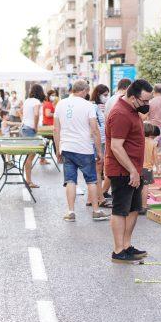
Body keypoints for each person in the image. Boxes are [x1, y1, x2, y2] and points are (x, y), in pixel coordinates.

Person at [105, 79, 154, 263]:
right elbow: (116, 146)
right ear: (133, 97)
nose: (147, 105)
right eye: (145, 101)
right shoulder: (120, 113)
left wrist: (136, 170)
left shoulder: (132, 110)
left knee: (134, 209)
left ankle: (126, 246)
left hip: (134, 169)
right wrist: (132, 171)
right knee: (120, 210)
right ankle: (118, 251)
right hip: (122, 171)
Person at [54, 80, 108, 222]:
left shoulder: (60, 104)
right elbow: (95, 130)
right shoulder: (88, 106)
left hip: (66, 147)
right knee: (91, 180)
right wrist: (99, 152)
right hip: (84, 148)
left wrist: (57, 149)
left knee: (70, 180)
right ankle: (96, 211)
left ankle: (71, 211)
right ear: (84, 91)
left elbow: (56, 130)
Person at [87, 84, 110, 205]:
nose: (107, 97)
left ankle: (90, 198)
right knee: (97, 171)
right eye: (105, 95)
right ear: (99, 94)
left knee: (95, 170)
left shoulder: (97, 106)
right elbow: (94, 127)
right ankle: (100, 198)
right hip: (96, 142)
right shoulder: (93, 107)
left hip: (99, 141)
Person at [21, 84, 45, 187]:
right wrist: (35, 126)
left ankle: (28, 179)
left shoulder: (27, 100)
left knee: (29, 155)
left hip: (24, 127)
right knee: (30, 156)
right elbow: (36, 114)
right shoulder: (36, 102)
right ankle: (29, 181)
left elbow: (23, 113)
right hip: (30, 129)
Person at [140, 123, 160, 214]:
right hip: (147, 168)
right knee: (145, 187)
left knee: (137, 187)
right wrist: (158, 167)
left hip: (137, 167)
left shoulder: (138, 141)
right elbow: (155, 156)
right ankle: (144, 206)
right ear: (151, 132)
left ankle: (137, 204)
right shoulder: (153, 143)